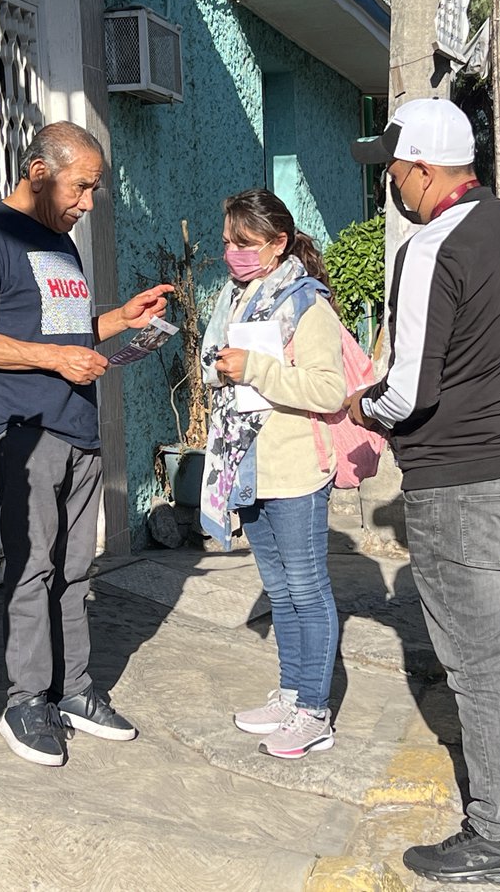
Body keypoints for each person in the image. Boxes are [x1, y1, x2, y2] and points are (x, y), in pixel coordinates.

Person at [348, 99, 500, 884]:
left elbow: (409, 390)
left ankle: (498, 835)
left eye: (392, 168)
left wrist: (360, 405)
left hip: (461, 482)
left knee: (479, 666)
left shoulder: (430, 246)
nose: (390, 182)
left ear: (422, 168)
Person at [0, 122, 170, 768]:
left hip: (77, 427)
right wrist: (54, 361)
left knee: (74, 572)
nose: (89, 204)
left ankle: (72, 690)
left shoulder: (60, 244)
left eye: (94, 190)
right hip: (22, 431)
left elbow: (68, 332)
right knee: (33, 568)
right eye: (83, 187)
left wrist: (121, 319)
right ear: (39, 173)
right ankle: (26, 701)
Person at [199, 188, 346, 760]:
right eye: (228, 242)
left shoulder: (307, 304)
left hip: (293, 469)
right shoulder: (235, 297)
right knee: (280, 592)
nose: (233, 252)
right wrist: (221, 370)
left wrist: (255, 368)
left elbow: (328, 389)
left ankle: (314, 710)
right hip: (247, 464)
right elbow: (217, 363)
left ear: (278, 243)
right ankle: (290, 694)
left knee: (307, 589)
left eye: (245, 242)